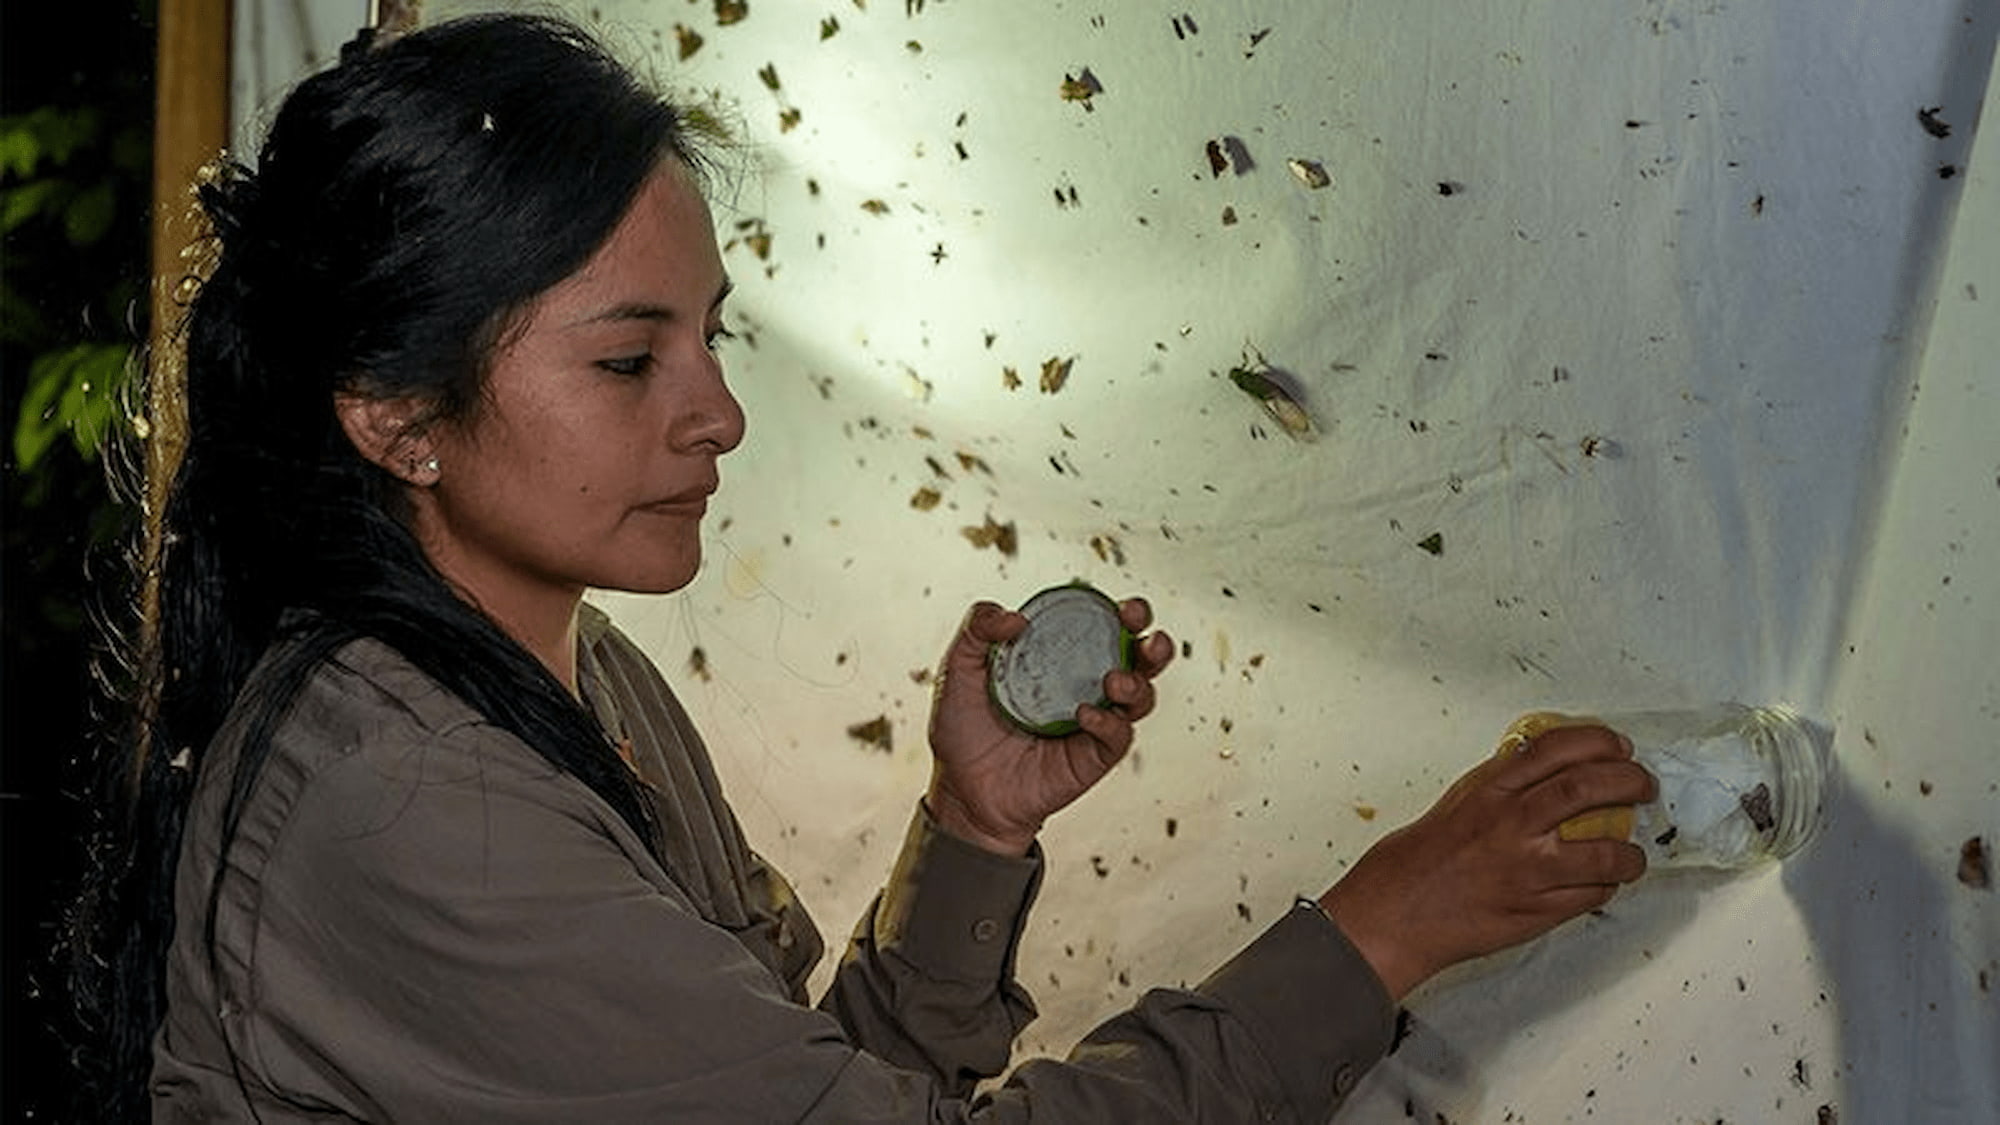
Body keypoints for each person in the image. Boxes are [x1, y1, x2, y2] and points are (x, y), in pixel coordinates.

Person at [70, 13, 1654, 1123]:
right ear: (400, 415)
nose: (721, 413)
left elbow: (822, 1089)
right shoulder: (412, 800)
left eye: (715, 337)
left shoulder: (571, 672)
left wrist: (969, 832)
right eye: (633, 361)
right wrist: (1379, 932)